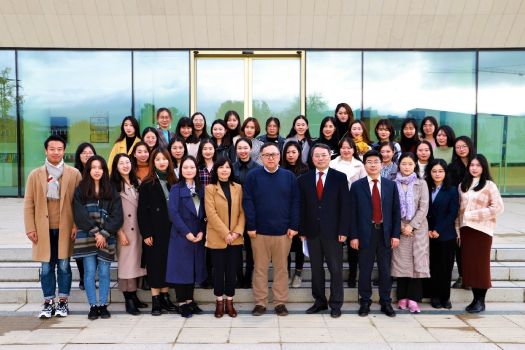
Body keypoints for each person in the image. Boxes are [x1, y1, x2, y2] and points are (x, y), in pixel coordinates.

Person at [24, 135, 82, 319]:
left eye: (59, 149)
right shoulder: (35, 175)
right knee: (47, 267)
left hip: (66, 227)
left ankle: (63, 302)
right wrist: (30, 227)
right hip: (43, 228)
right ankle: (48, 302)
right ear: (46, 150)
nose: (56, 152)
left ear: (64, 151)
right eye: (52, 149)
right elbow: (28, 203)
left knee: (64, 266)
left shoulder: (73, 174)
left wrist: (76, 225)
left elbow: (80, 203)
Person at [243, 143, 300, 317]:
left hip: (283, 232)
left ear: (279, 157)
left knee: (281, 268)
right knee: (259, 268)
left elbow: (295, 202)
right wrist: (251, 226)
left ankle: (280, 303)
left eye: (274, 155)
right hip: (259, 232)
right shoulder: (253, 176)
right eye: (267, 155)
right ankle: (260, 302)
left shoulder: (289, 176)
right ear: (260, 157)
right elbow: (247, 202)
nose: (271, 158)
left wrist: (294, 225)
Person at [298, 143, 350, 318]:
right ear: (312, 159)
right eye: (316, 156)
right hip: (312, 232)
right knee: (316, 269)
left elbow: (345, 207)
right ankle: (319, 301)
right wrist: (302, 230)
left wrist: (344, 229)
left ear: (330, 157)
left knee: (335, 269)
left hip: (334, 232)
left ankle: (336, 304)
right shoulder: (303, 179)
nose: (320, 158)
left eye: (323, 155)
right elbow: (301, 207)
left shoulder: (340, 178)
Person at [349, 150, 400, 317]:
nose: (372, 164)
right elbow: (353, 213)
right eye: (369, 161)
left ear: (381, 164)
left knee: (385, 270)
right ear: (365, 165)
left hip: (385, 233)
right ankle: (365, 301)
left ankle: (386, 301)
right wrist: (354, 236)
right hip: (365, 233)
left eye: (375, 161)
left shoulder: (390, 185)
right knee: (365, 269)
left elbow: (395, 212)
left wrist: (395, 234)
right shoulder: (357, 186)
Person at [73, 155, 123, 320]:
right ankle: (93, 306)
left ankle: (103, 305)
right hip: (87, 236)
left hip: (106, 237)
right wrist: (95, 232)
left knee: (103, 272)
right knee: (89, 272)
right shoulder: (81, 189)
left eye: (100, 167)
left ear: (104, 170)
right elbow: (79, 214)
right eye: (93, 167)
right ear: (88, 170)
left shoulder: (111, 190)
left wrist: (104, 234)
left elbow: (117, 216)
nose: (96, 171)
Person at [457, 154, 504, 313]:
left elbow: (498, 207)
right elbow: (459, 211)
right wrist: (458, 229)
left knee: (481, 266)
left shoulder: (489, 185)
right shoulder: (463, 185)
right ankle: (474, 299)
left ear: (483, 168)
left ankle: (481, 301)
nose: (474, 168)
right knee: (469, 266)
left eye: (478, 165)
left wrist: (472, 215)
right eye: (472, 165)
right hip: (465, 231)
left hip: (482, 231)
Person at [137, 148, 178, 316]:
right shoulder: (147, 183)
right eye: (158, 159)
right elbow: (142, 211)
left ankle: (165, 297)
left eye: (164, 159)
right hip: (154, 231)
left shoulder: (173, 180)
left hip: (171, 230)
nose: (162, 162)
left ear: (169, 161)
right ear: (153, 162)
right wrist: (146, 233)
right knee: (154, 265)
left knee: (167, 264)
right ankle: (155, 300)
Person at [166, 156, 207, 318]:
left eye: (192, 167)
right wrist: (187, 233)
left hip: (197, 235)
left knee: (192, 270)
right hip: (181, 236)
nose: (189, 170)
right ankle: (182, 303)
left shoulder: (200, 188)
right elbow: (173, 214)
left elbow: (204, 213)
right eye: (185, 167)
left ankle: (190, 301)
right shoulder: (176, 188)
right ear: (181, 170)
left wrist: (202, 231)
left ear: (196, 169)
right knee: (181, 270)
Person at [205, 157, 245, 318]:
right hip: (218, 237)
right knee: (218, 270)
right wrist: (225, 233)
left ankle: (230, 301)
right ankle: (219, 302)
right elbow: (211, 213)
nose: (224, 170)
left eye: (227, 167)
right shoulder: (210, 188)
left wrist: (236, 232)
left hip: (235, 237)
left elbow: (243, 212)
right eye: (221, 167)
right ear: (216, 170)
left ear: (231, 170)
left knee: (231, 271)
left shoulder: (238, 188)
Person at [391, 152, 429, 314]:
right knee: (402, 263)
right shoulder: (392, 183)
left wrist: (411, 226)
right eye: (403, 164)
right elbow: (390, 208)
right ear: (399, 165)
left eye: (410, 164)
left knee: (417, 262)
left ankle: (413, 298)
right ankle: (402, 297)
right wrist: (401, 226)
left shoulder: (421, 183)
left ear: (415, 165)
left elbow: (424, 207)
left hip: (418, 229)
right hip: (399, 228)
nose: (406, 167)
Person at [110, 153, 148, 316]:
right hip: (125, 231)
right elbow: (111, 212)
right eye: (121, 163)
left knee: (136, 264)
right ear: (116, 167)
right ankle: (128, 300)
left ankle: (134, 296)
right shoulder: (113, 186)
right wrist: (119, 233)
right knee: (126, 267)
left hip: (139, 229)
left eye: (127, 162)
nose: (125, 166)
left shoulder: (137, 183)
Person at [329, 137, 366, 288]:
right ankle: (335, 275)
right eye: (343, 147)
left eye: (349, 148)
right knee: (336, 244)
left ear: (353, 150)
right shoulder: (332, 163)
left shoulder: (360, 165)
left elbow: (364, 186)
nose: (346, 150)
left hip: (354, 208)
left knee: (353, 244)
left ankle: (352, 276)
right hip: (335, 208)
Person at [425, 159, 458, 309]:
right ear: (429, 172)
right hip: (428, 233)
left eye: (440, 171)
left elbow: (452, 213)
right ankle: (435, 296)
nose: (437, 174)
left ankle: (446, 297)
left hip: (446, 234)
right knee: (433, 266)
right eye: (434, 171)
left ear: (445, 173)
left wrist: (438, 229)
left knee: (446, 267)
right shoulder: (425, 187)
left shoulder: (452, 190)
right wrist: (429, 229)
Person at [448, 135, 475, 289]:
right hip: (459, 212)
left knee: (472, 246)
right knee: (459, 245)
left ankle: (472, 276)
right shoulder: (453, 167)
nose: (461, 149)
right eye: (458, 147)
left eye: (463, 146)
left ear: (469, 146)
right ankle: (463, 276)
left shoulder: (476, 164)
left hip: (475, 213)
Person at [232, 137, 260, 288]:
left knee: (251, 248)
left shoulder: (257, 168)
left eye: (245, 148)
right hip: (234, 213)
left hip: (251, 213)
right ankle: (238, 278)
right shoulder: (230, 167)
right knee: (236, 247)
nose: (242, 151)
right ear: (236, 150)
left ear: (250, 149)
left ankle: (249, 278)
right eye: (239, 148)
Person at [281, 141, 309, 288]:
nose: (291, 155)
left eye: (294, 152)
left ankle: (298, 273)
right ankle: (285, 273)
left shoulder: (305, 170)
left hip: (300, 211)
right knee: (285, 245)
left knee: (299, 245)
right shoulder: (280, 169)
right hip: (283, 212)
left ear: (299, 153)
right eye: (288, 152)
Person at [73, 142, 97, 291]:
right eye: (84, 152)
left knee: (93, 249)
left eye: (90, 152)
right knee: (80, 250)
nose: (88, 155)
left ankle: (90, 277)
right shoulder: (74, 172)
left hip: (94, 216)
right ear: (79, 156)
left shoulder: (97, 170)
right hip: (77, 215)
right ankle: (83, 277)